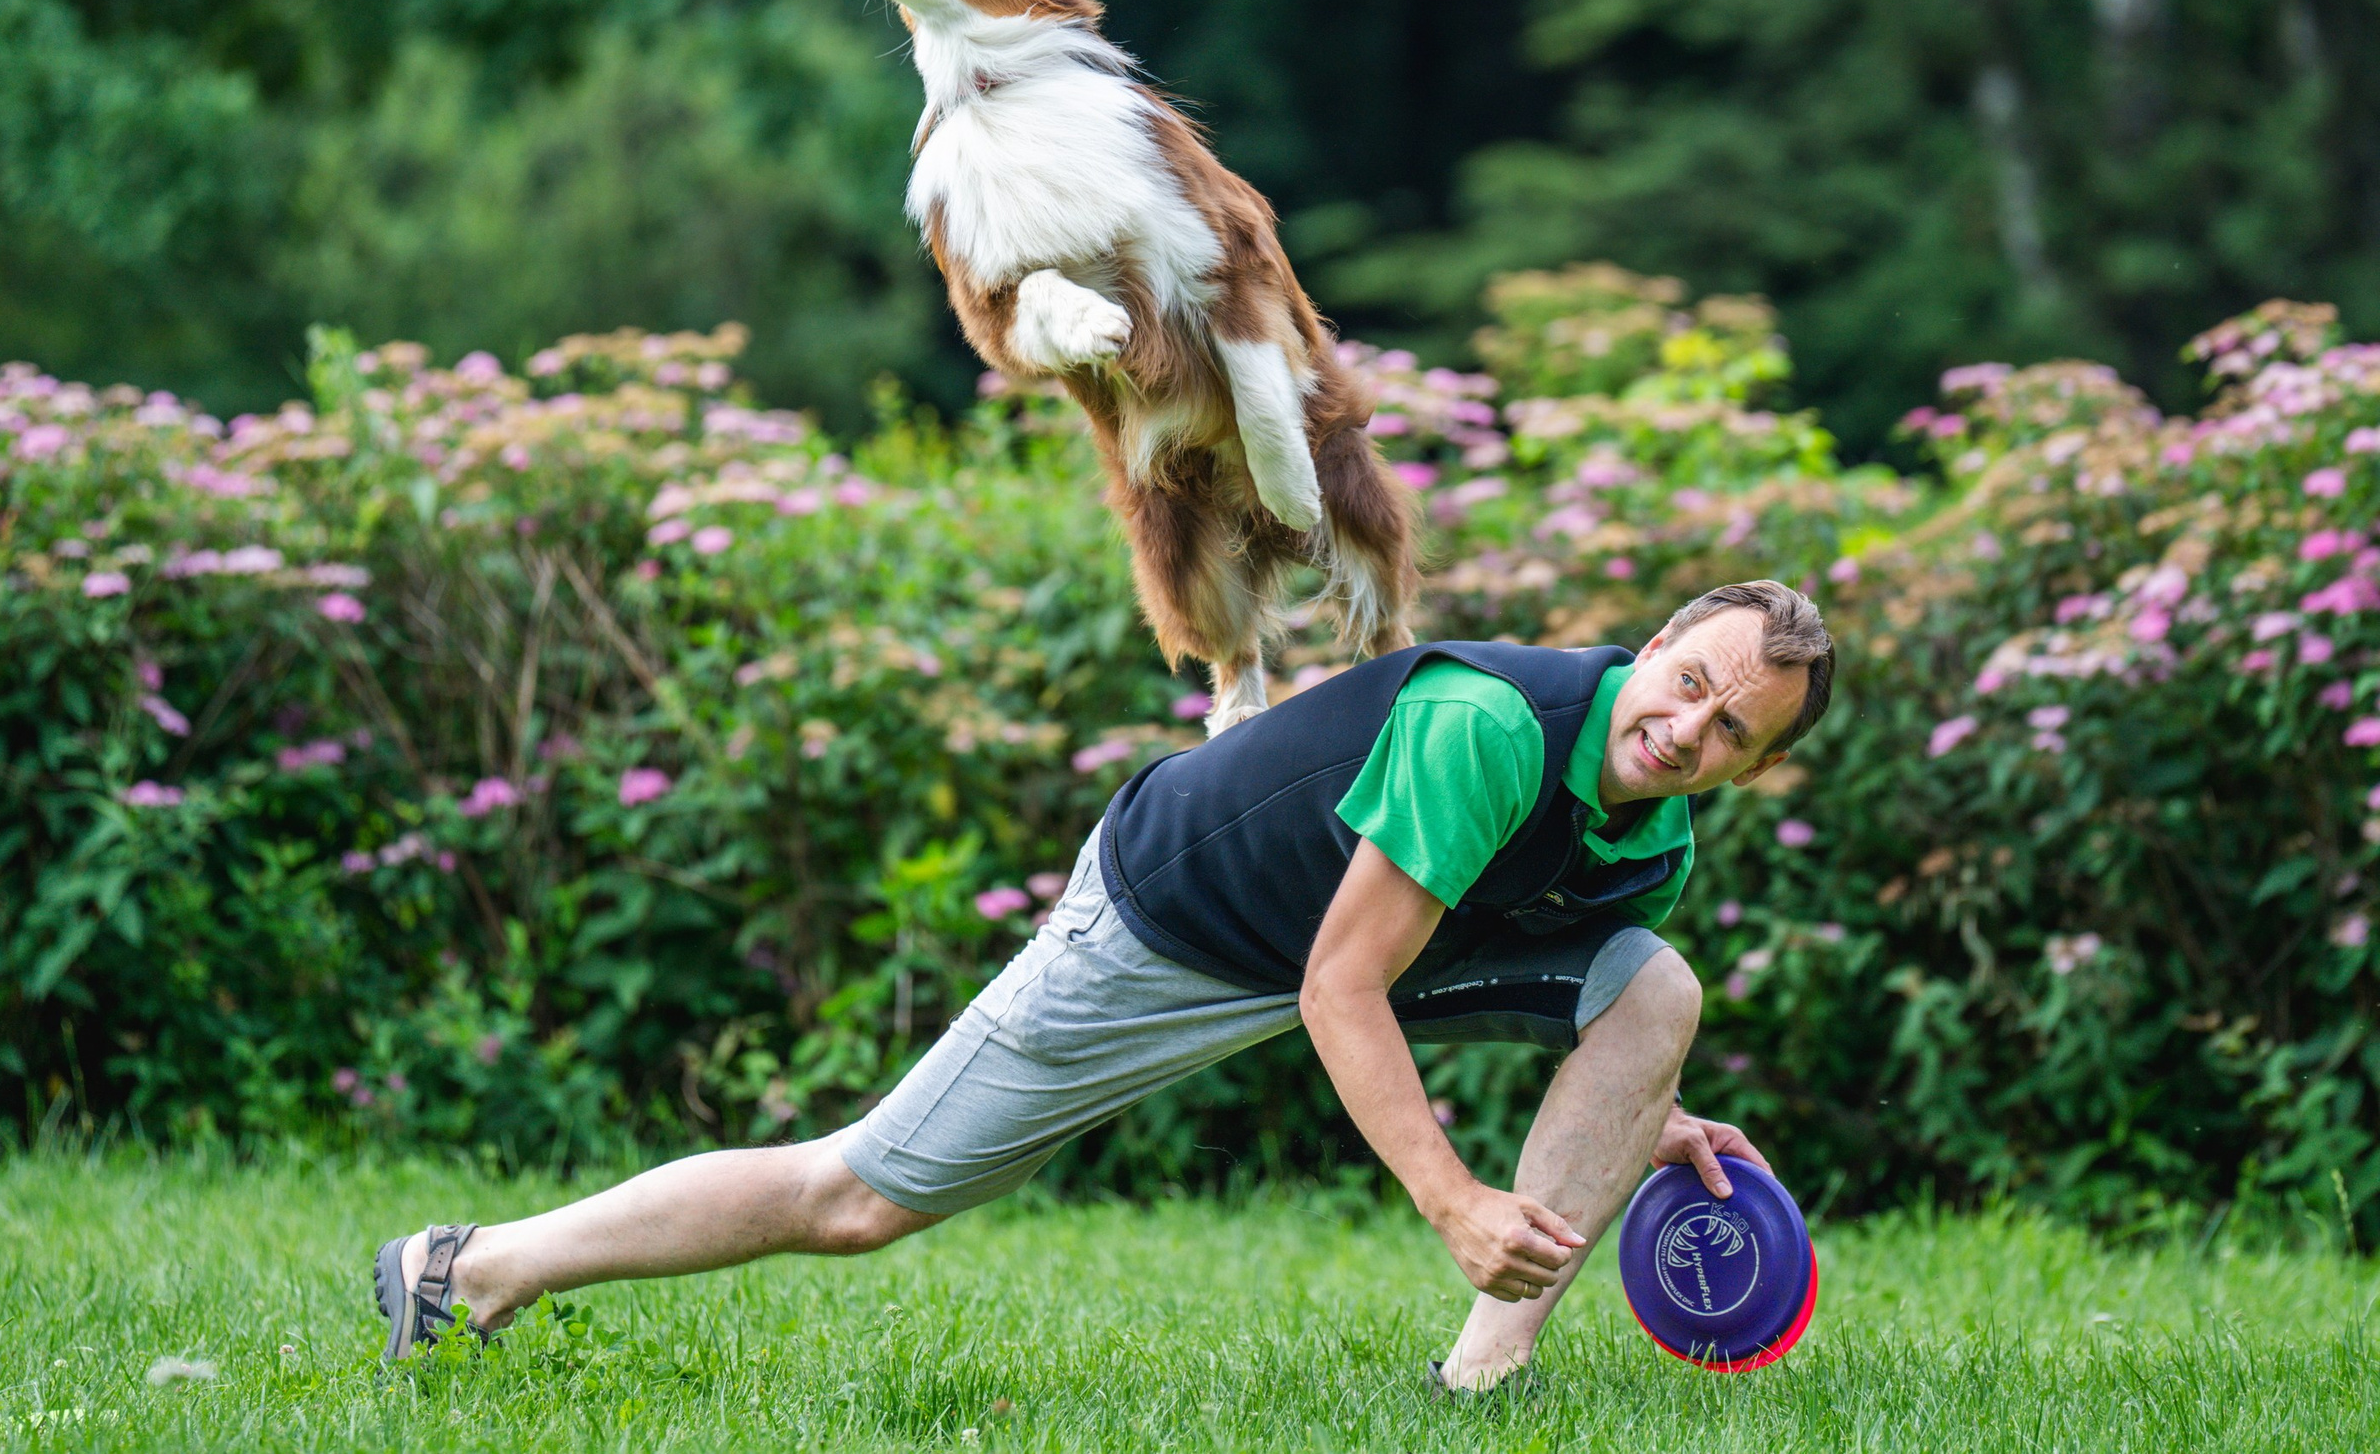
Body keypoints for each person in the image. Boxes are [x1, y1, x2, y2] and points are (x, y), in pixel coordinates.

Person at [375, 579, 1833, 1395]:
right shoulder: (1492, 728)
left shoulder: (1656, 842)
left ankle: (1479, 1389)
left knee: (1653, 996)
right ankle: (469, 1264)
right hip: (1177, 921)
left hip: (1342, 945)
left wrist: (1653, 1111)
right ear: (1649, 648)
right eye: (1688, 683)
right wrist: (1452, 1201)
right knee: (862, 1196)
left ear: (1757, 772)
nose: (1689, 728)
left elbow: (1465, 961)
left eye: (1732, 731)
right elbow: (1343, 986)